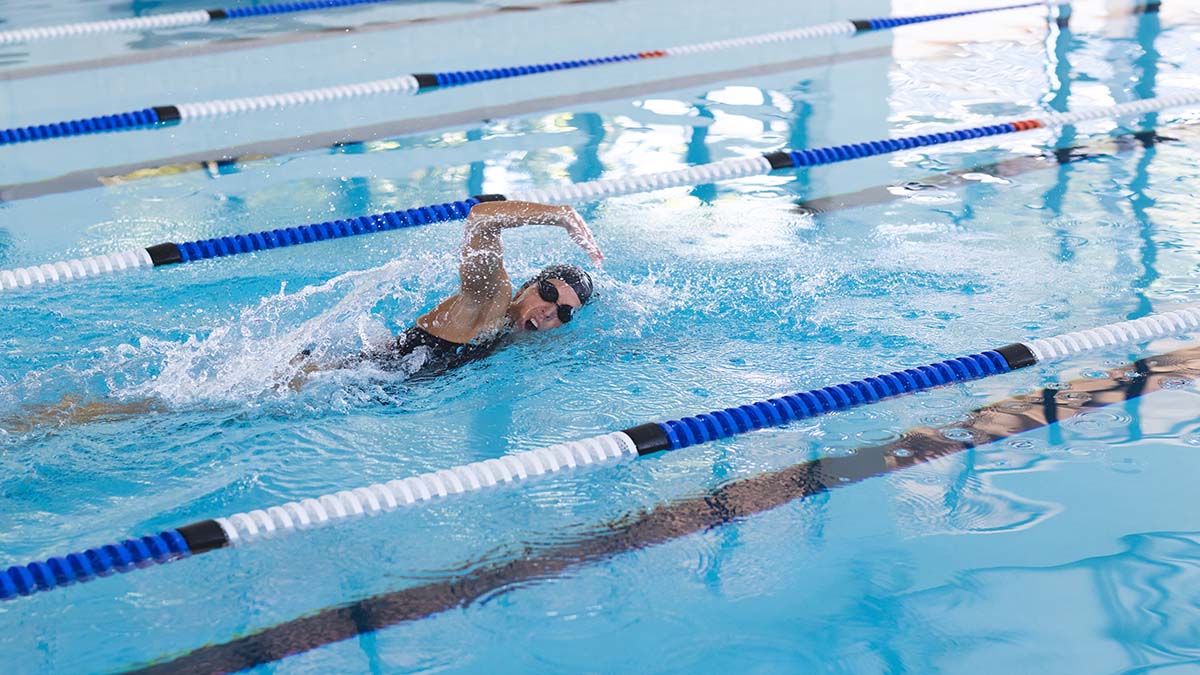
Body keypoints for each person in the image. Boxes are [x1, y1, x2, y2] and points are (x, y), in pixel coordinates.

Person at [6, 200, 603, 430]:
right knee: (160, 410)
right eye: (550, 295)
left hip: (350, 379)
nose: (551, 313)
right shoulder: (490, 299)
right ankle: (41, 420)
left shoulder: (511, 331)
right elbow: (481, 217)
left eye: (565, 315)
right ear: (531, 284)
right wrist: (559, 214)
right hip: (325, 381)